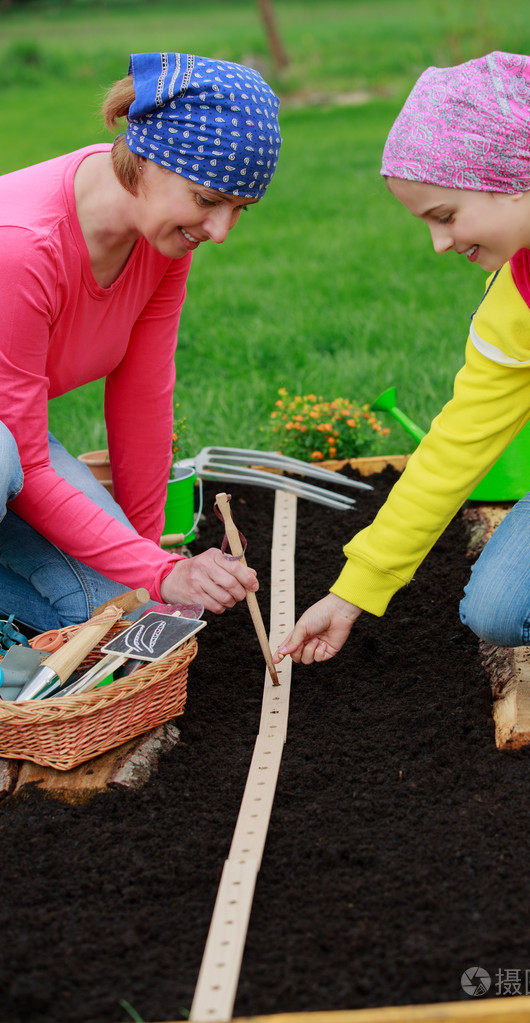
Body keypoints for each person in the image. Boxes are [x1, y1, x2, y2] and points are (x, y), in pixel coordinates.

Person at [274, 50, 530, 709]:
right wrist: (354, 590)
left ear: (510, 177)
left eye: (444, 215)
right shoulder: (516, 304)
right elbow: (452, 449)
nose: (439, 244)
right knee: (495, 607)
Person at [0, 52, 281, 633]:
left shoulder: (162, 241)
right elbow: (23, 460)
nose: (221, 231)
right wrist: (155, 570)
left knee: (122, 614)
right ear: (147, 157)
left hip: (11, 443)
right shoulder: (22, 248)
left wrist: (152, 563)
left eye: (239, 210)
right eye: (207, 200)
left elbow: (143, 400)